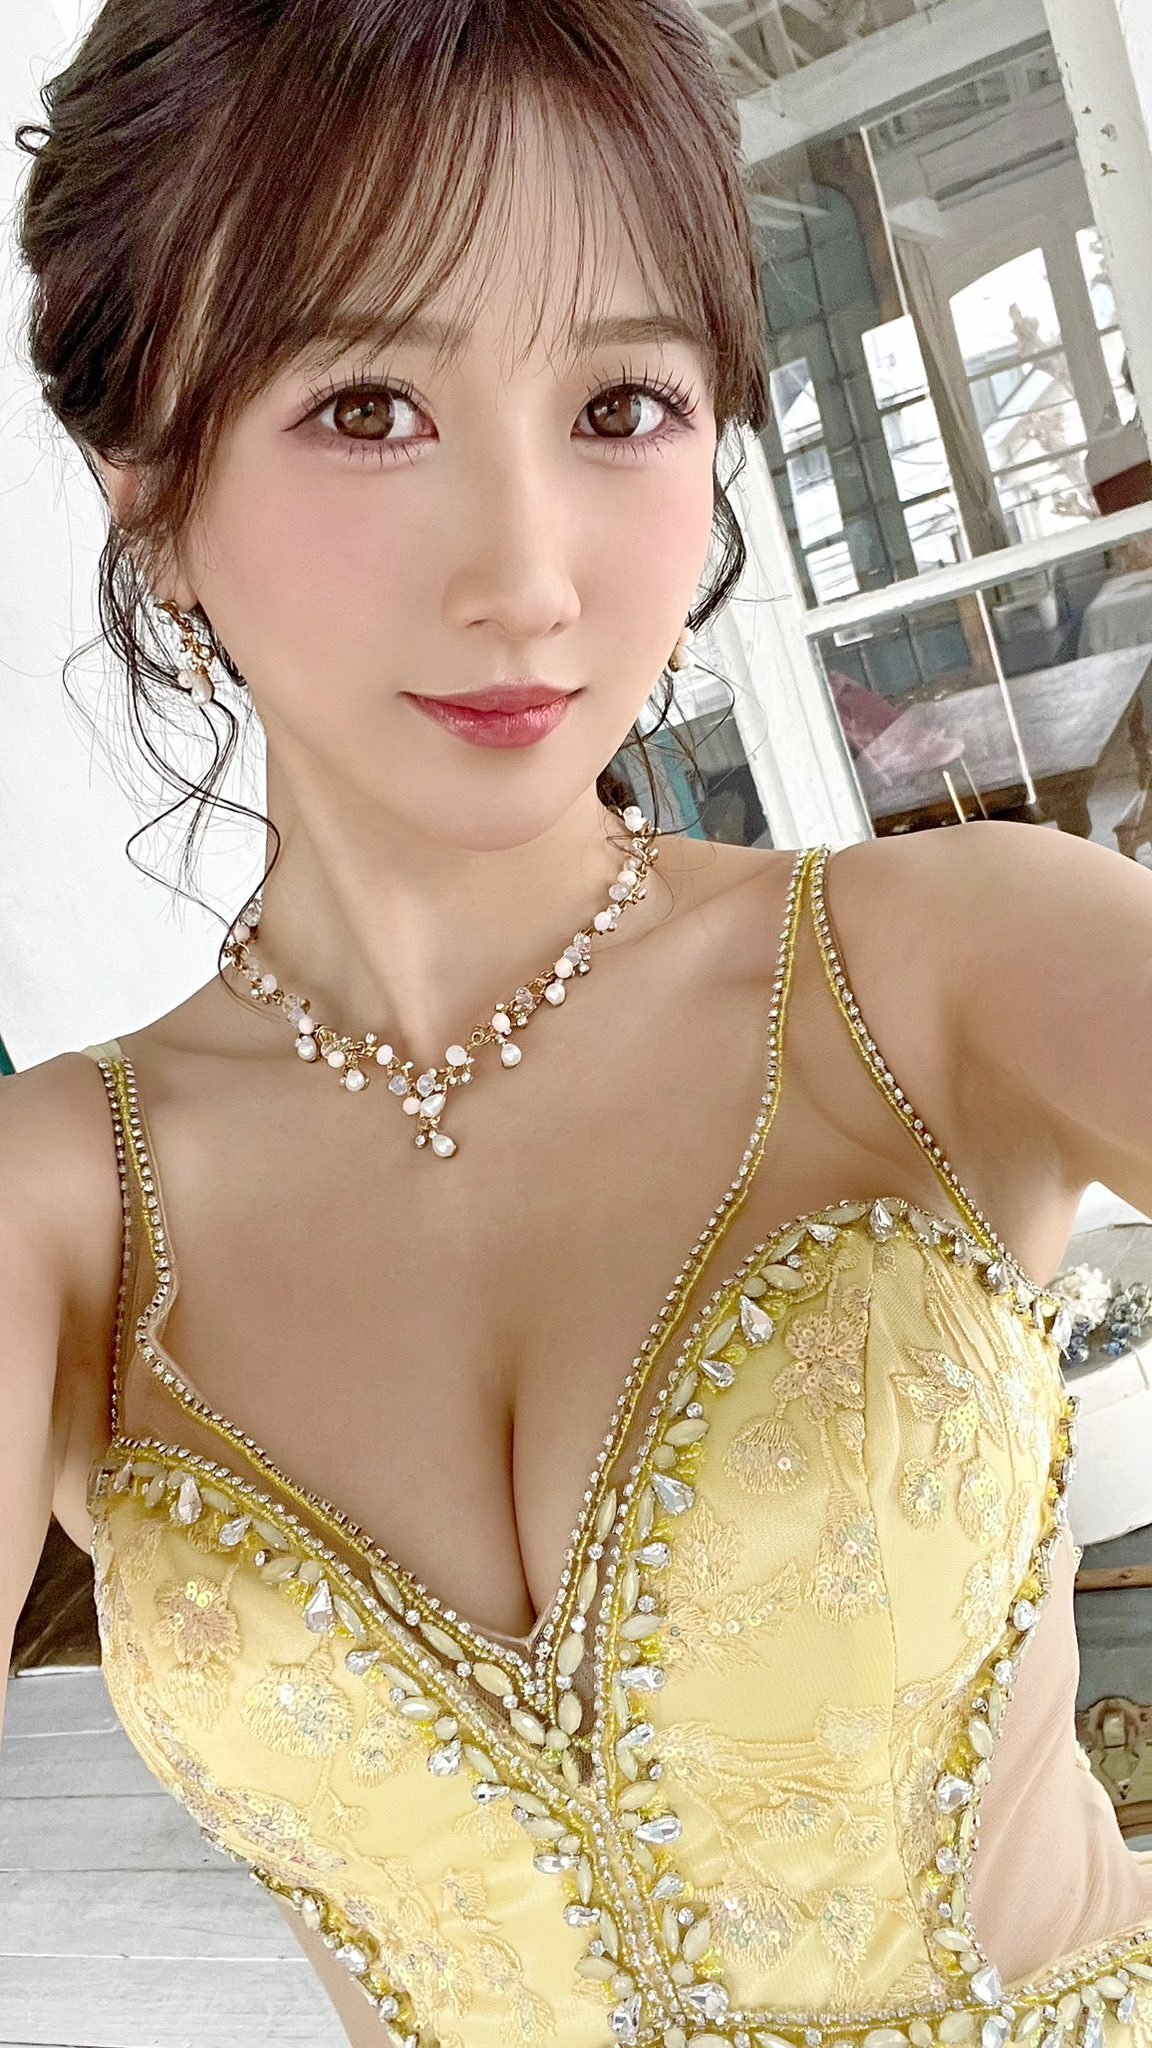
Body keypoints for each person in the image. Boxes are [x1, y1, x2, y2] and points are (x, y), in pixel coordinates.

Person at [4, 6, 1152, 2046]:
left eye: (623, 404)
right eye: (367, 406)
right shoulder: (61, 1208)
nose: (529, 578)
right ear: (148, 484)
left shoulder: (965, 960)